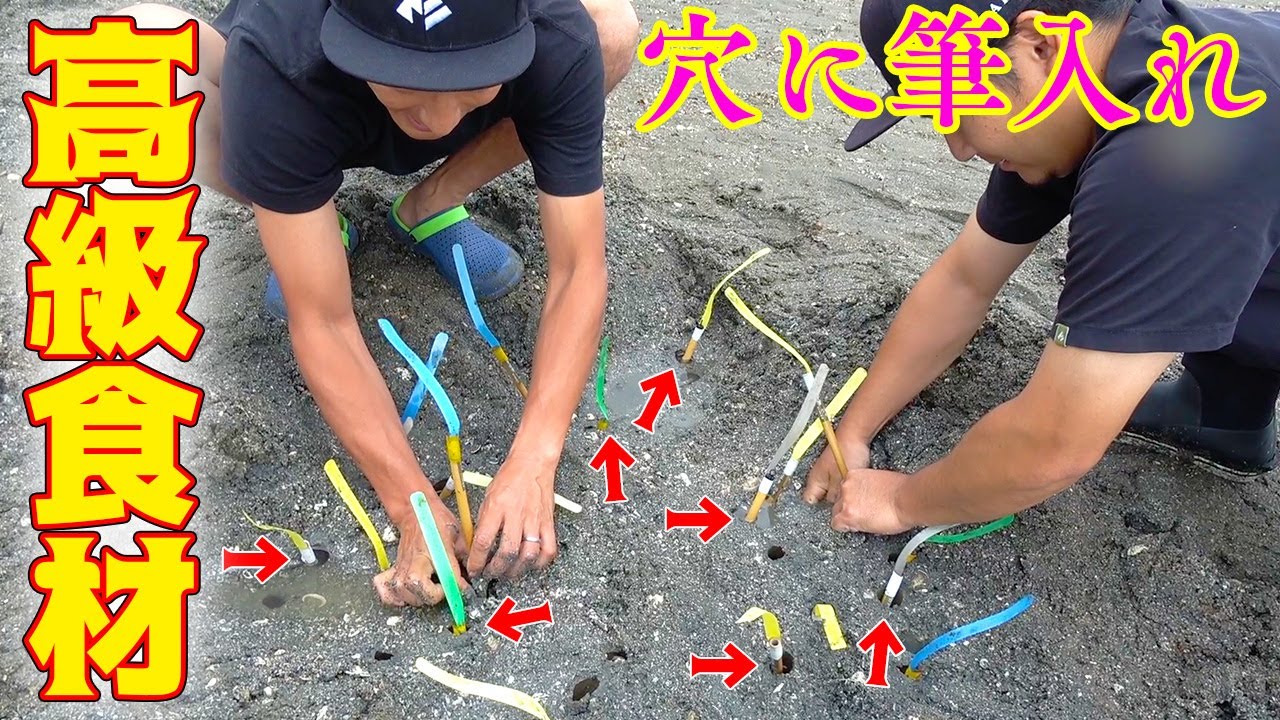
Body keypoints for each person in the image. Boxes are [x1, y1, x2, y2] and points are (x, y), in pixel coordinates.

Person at [117, 0, 639, 606]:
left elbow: (578, 269)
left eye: (472, 82)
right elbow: (322, 320)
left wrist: (536, 458)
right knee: (134, 50)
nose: (438, 119)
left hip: (376, 89)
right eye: (407, 83)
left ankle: (431, 204)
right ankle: (304, 217)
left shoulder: (549, 30)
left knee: (612, 28)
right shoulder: (282, 48)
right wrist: (411, 505)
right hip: (305, 102)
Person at [805, 0, 1280, 534]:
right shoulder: (1077, 92)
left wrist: (901, 502)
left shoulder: (1176, 149)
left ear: (1038, 44)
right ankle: (1225, 414)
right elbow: (965, 280)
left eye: (953, 106)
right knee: (1205, 255)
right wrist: (856, 429)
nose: (958, 148)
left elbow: (1055, 445)